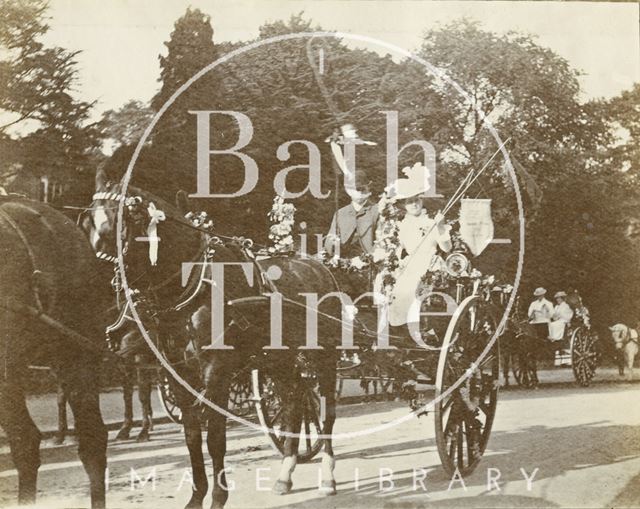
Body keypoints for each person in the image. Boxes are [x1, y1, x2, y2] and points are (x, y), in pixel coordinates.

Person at [385, 168, 452, 328]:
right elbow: (394, 250)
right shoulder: (400, 226)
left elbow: (447, 248)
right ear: (404, 205)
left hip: (431, 264)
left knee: (413, 287)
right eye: (409, 201)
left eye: (416, 200)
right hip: (410, 264)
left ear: (421, 201)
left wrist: (441, 227)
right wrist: (390, 267)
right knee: (391, 285)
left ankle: (422, 328)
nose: (414, 204)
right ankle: (398, 328)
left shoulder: (431, 222)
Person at [324, 169, 378, 263]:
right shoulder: (341, 213)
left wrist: (366, 259)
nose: (360, 192)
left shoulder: (377, 210)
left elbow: (382, 243)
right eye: (356, 189)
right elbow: (329, 240)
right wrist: (331, 242)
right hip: (342, 262)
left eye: (363, 189)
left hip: (368, 264)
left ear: (368, 189)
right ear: (348, 191)